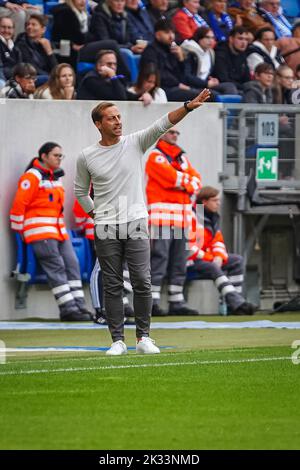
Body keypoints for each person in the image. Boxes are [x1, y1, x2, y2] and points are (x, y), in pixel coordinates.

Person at [74, 89, 211, 355]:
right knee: (112, 284)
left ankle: (143, 338)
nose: (118, 121)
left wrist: (188, 106)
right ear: (98, 124)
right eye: (111, 118)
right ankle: (117, 341)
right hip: (105, 227)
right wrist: (95, 214)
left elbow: (163, 123)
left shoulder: (135, 142)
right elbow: (80, 192)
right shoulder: (86, 156)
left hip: (136, 221)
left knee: (142, 281)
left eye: (119, 116)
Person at [10, 142, 93, 322]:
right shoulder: (32, 176)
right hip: (40, 233)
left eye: (61, 156)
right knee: (57, 269)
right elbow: (18, 205)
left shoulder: (55, 177)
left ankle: (79, 307)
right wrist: (19, 233)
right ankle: (68, 309)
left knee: (73, 265)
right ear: (44, 156)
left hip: (59, 232)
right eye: (56, 155)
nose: (59, 159)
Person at [146, 127, 202, 316]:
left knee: (179, 261)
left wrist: (184, 182)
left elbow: (198, 181)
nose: (175, 135)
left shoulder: (181, 158)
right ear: (161, 133)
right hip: (162, 220)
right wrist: (187, 183)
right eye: (171, 132)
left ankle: (176, 301)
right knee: (159, 259)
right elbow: (170, 179)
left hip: (182, 221)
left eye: (178, 133)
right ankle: (151, 302)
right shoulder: (155, 156)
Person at [187, 186, 255, 315]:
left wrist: (218, 256)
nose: (218, 203)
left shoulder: (213, 217)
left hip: (207, 260)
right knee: (213, 267)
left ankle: (235, 304)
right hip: (191, 263)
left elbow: (217, 241)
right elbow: (188, 248)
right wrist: (211, 258)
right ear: (204, 202)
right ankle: (238, 304)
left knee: (237, 260)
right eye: (215, 200)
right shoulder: (192, 217)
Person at [73, 199, 135, 325]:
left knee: (114, 271)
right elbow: (80, 206)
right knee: (101, 269)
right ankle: (101, 312)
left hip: (117, 230)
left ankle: (115, 310)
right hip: (100, 231)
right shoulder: (95, 183)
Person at [140, 18, 201, 101]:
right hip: (161, 88)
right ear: (157, 34)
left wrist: (181, 59)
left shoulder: (173, 51)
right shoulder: (150, 51)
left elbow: (184, 76)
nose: (171, 36)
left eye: (173, 32)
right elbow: (156, 74)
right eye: (167, 32)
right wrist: (178, 84)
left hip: (176, 87)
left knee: (209, 94)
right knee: (200, 96)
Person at [181, 26, 238, 95]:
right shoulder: (189, 51)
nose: (211, 40)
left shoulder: (211, 53)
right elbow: (187, 76)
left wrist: (212, 79)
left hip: (205, 85)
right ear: (199, 38)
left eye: (213, 38)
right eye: (207, 37)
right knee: (213, 95)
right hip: (192, 86)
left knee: (230, 87)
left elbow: (206, 74)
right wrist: (206, 83)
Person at [15, 14, 57, 81]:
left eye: (33, 25)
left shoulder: (46, 44)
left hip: (45, 77)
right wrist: (51, 77)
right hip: (30, 78)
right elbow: (31, 67)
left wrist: (49, 52)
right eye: (28, 24)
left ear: (43, 29)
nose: (29, 27)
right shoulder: (21, 44)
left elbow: (55, 69)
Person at [213, 25, 251, 93]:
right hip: (221, 86)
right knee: (231, 88)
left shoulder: (242, 54)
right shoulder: (220, 53)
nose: (244, 42)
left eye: (246, 39)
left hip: (238, 87)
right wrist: (244, 87)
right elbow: (223, 79)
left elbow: (247, 79)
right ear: (231, 39)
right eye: (240, 38)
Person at [0, 16, 22, 85]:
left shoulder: (15, 47)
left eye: (9, 28)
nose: (6, 30)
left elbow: (20, 67)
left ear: (13, 30)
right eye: (3, 27)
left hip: (14, 80)